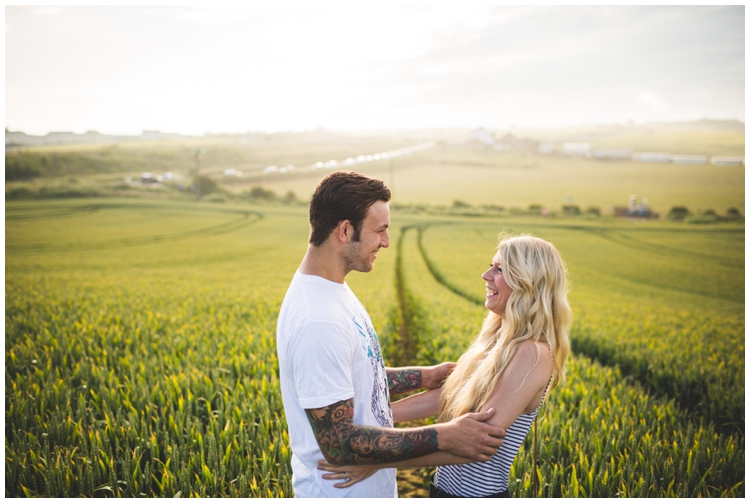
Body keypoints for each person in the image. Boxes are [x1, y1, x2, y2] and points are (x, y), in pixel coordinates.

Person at [276, 170, 507, 498]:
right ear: (345, 230)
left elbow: (357, 375)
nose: (385, 242)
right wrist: (443, 436)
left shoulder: (333, 292)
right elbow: (339, 445)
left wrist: (423, 377)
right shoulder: (318, 321)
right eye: (380, 231)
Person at [318, 234, 572, 498]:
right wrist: (371, 420)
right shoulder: (496, 338)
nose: (486, 275)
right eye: (491, 266)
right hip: (443, 488)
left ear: (527, 282)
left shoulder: (532, 352)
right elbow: (446, 397)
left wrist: (376, 459)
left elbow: (475, 442)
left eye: (500, 270)